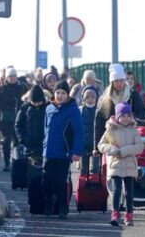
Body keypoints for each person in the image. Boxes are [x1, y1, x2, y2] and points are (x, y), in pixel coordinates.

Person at [98, 101, 143, 226]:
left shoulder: (134, 131)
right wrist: (111, 149)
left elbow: (139, 146)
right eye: (122, 116)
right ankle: (115, 213)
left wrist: (124, 151)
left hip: (129, 164)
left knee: (129, 191)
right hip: (115, 165)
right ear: (117, 117)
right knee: (116, 190)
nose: (125, 118)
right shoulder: (110, 130)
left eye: (128, 115)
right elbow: (101, 145)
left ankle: (129, 215)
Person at [42, 80, 83, 219]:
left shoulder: (73, 110)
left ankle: (62, 208)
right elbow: (45, 129)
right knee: (46, 180)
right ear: (54, 93)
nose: (60, 96)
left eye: (63, 93)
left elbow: (78, 132)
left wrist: (76, 151)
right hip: (48, 152)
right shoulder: (48, 108)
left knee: (61, 182)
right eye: (57, 92)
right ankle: (48, 203)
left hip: (64, 152)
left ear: (68, 94)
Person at [93, 63, 145, 158]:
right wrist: (96, 147)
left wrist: (132, 121)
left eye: (121, 80)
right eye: (116, 81)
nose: (119, 83)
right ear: (112, 82)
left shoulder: (132, 94)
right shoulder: (106, 98)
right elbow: (99, 122)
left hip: (129, 138)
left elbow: (143, 113)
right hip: (112, 140)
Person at [0, 66, 25, 172]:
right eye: (10, 76)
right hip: (5, 120)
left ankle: (16, 162)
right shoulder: (1, 88)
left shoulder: (21, 87)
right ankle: (7, 162)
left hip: (18, 119)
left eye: (14, 76)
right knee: (6, 143)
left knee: (17, 143)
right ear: (7, 77)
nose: (13, 78)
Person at [14, 85, 47, 166]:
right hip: (28, 146)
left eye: (38, 102)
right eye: (34, 102)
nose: (36, 104)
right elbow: (18, 124)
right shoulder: (25, 108)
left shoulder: (47, 108)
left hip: (43, 145)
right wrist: (22, 139)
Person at [79, 84, 99, 175]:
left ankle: (95, 186)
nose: (90, 99)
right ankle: (84, 185)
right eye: (87, 97)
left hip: (96, 144)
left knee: (95, 168)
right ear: (84, 98)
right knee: (84, 168)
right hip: (83, 143)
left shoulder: (99, 110)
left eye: (92, 97)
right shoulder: (80, 110)